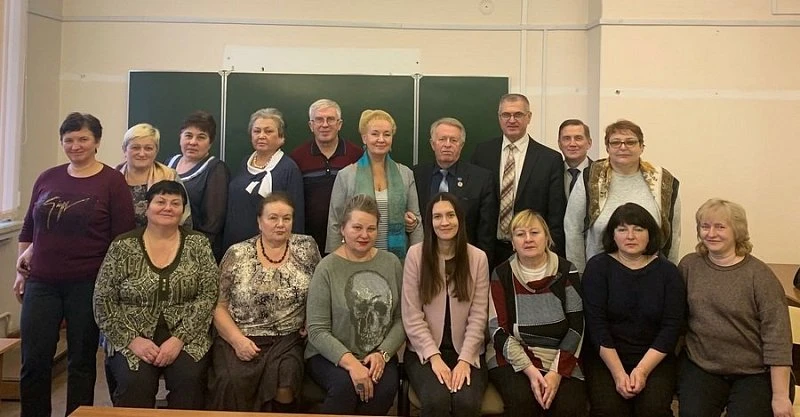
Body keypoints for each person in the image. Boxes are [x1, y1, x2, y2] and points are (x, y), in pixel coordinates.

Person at [13, 112, 136, 417]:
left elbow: (122, 239)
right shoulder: (48, 177)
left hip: (88, 284)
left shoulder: (112, 181)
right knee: (33, 361)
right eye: (69, 140)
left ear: (97, 142)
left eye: (83, 139)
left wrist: (113, 287)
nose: (75, 145)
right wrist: (21, 271)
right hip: (42, 282)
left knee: (81, 362)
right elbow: (29, 228)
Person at [94, 180, 218, 410]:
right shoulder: (123, 246)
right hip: (131, 333)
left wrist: (179, 338)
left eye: (175, 203)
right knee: (135, 382)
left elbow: (208, 295)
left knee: (189, 380)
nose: (168, 208)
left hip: (187, 335)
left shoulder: (198, 244)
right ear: (147, 207)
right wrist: (133, 340)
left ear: (183, 210)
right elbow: (103, 300)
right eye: (160, 202)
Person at [678, 199, 793, 417]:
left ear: (737, 231)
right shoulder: (689, 266)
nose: (711, 233)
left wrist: (780, 396)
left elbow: (778, 338)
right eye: (705, 226)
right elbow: (677, 319)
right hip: (702, 367)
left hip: (754, 373)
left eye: (720, 227)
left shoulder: (760, 276)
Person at [209, 192, 321, 412]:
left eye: (287, 218)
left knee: (285, 379)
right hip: (241, 335)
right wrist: (237, 341)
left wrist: (311, 318)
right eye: (273, 218)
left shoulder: (307, 247)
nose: (280, 224)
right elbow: (219, 306)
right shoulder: (237, 253)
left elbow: (320, 291)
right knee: (231, 381)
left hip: (288, 338)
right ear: (259, 221)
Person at [582, 203, 685, 417]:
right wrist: (619, 373)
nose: (630, 236)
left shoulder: (668, 272)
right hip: (606, 358)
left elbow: (671, 328)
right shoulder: (597, 267)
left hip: (654, 358)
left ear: (650, 234)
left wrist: (642, 371)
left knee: (653, 410)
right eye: (622, 229)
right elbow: (596, 326)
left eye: (638, 229)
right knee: (609, 410)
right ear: (612, 235)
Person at [307, 194, 405, 415]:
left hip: (377, 354)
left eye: (371, 229)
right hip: (328, 356)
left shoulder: (391, 263)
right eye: (357, 227)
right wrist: (351, 364)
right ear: (342, 229)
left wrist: (383, 354)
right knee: (345, 387)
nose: (364, 235)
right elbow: (317, 330)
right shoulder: (326, 268)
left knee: (385, 389)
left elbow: (401, 319)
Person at [487, 209, 586, 417]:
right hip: (512, 357)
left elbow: (577, 327)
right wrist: (530, 370)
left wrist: (556, 373)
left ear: (547, 238)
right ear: (512, 243)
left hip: (560, 356)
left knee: (570, 407)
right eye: (520, 234)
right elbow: (497, 330)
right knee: (522, 403)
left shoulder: (567, 270)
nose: (528, 239)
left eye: (534, 232)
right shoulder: (501, 273)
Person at [402, 192, 490, 417]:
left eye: (450, 215)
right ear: (429, 222)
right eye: (437, 216)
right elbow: (412, 316)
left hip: (468, 350)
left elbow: (479, 316)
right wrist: (434, 357)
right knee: (436, 400)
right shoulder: (415, 255)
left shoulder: (478, 258)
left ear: (459, 219)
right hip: (424, 351)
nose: (444, 222)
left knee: (466, 402)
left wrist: (465, 360)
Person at [565, 119, 680, 272]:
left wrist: (671, 272)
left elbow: (673, 235)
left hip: (652, 274)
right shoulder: (590, 178)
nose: (623, 147)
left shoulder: (663, 182)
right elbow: (573, 229)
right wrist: (578, 274)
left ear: (641, 147)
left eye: (630, 142)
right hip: (600, 274)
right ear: (607, 148)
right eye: (615, 142)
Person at [471, 93, 566, 267]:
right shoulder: (482, 153)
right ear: (499, 117)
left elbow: (555, 214)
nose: (512, 120)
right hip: (488, 251)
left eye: (518, 115)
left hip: (532, 251)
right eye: (506, 115)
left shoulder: (549, 159)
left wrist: (552, 255)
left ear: (529, 117)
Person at [326, 109, 422, 262]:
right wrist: (336, 261)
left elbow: (416, 221)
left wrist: (417, 258)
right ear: (364, 138)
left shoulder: (405, 174)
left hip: (397, 261)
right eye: (375, 134)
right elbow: (335, 222)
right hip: (355, 258)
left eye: (387, 134)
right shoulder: (346, 175)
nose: (381, 139)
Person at [413, 117, 497, 266]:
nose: (447, 145)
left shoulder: (481, 179)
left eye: (453, 140)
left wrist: (482, 265)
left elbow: (486, 232)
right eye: (442, 139)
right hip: (424, 260)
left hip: (466, 261)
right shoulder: (416, 175)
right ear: (432, 144)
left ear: (461, 145)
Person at [224, 108, 304, 252]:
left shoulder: (288, 169)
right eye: (257, 131)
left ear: (281, 137)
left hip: (271, 249)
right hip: (236, 245)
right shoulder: (244, 163)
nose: (261, 136)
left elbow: (296, 217)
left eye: (268, 131)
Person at [290, 98, 363, 253]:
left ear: (339, 124)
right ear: (311, 125)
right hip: (308, 241)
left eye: (330, 119)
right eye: (319, 120)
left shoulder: (357, 155)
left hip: (348, 240)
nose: (324, 125)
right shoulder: (297, 157)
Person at [166, 110, 229, 261]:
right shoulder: (168, 163)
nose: (193, 142)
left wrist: (193, 253)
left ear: (210, 143)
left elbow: (212, 224)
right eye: (188, 135)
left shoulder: (216, 169)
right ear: (180, 137)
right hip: (165, 245)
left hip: (195, 252)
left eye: (201, 137)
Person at [117, 123, 192, 227]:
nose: (142, 153)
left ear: (156, 151)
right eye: (135, 148)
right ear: (124, 149)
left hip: (163, 235)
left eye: (148, 148)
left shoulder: (170, 176)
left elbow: (184, 218)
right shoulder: (112, 177)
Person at [557, 119, 592, 199]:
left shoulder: (600, 173)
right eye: (567, 138)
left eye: (578, 138)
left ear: (589, 143)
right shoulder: (551, 173)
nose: (572, 144)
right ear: (559, 144)